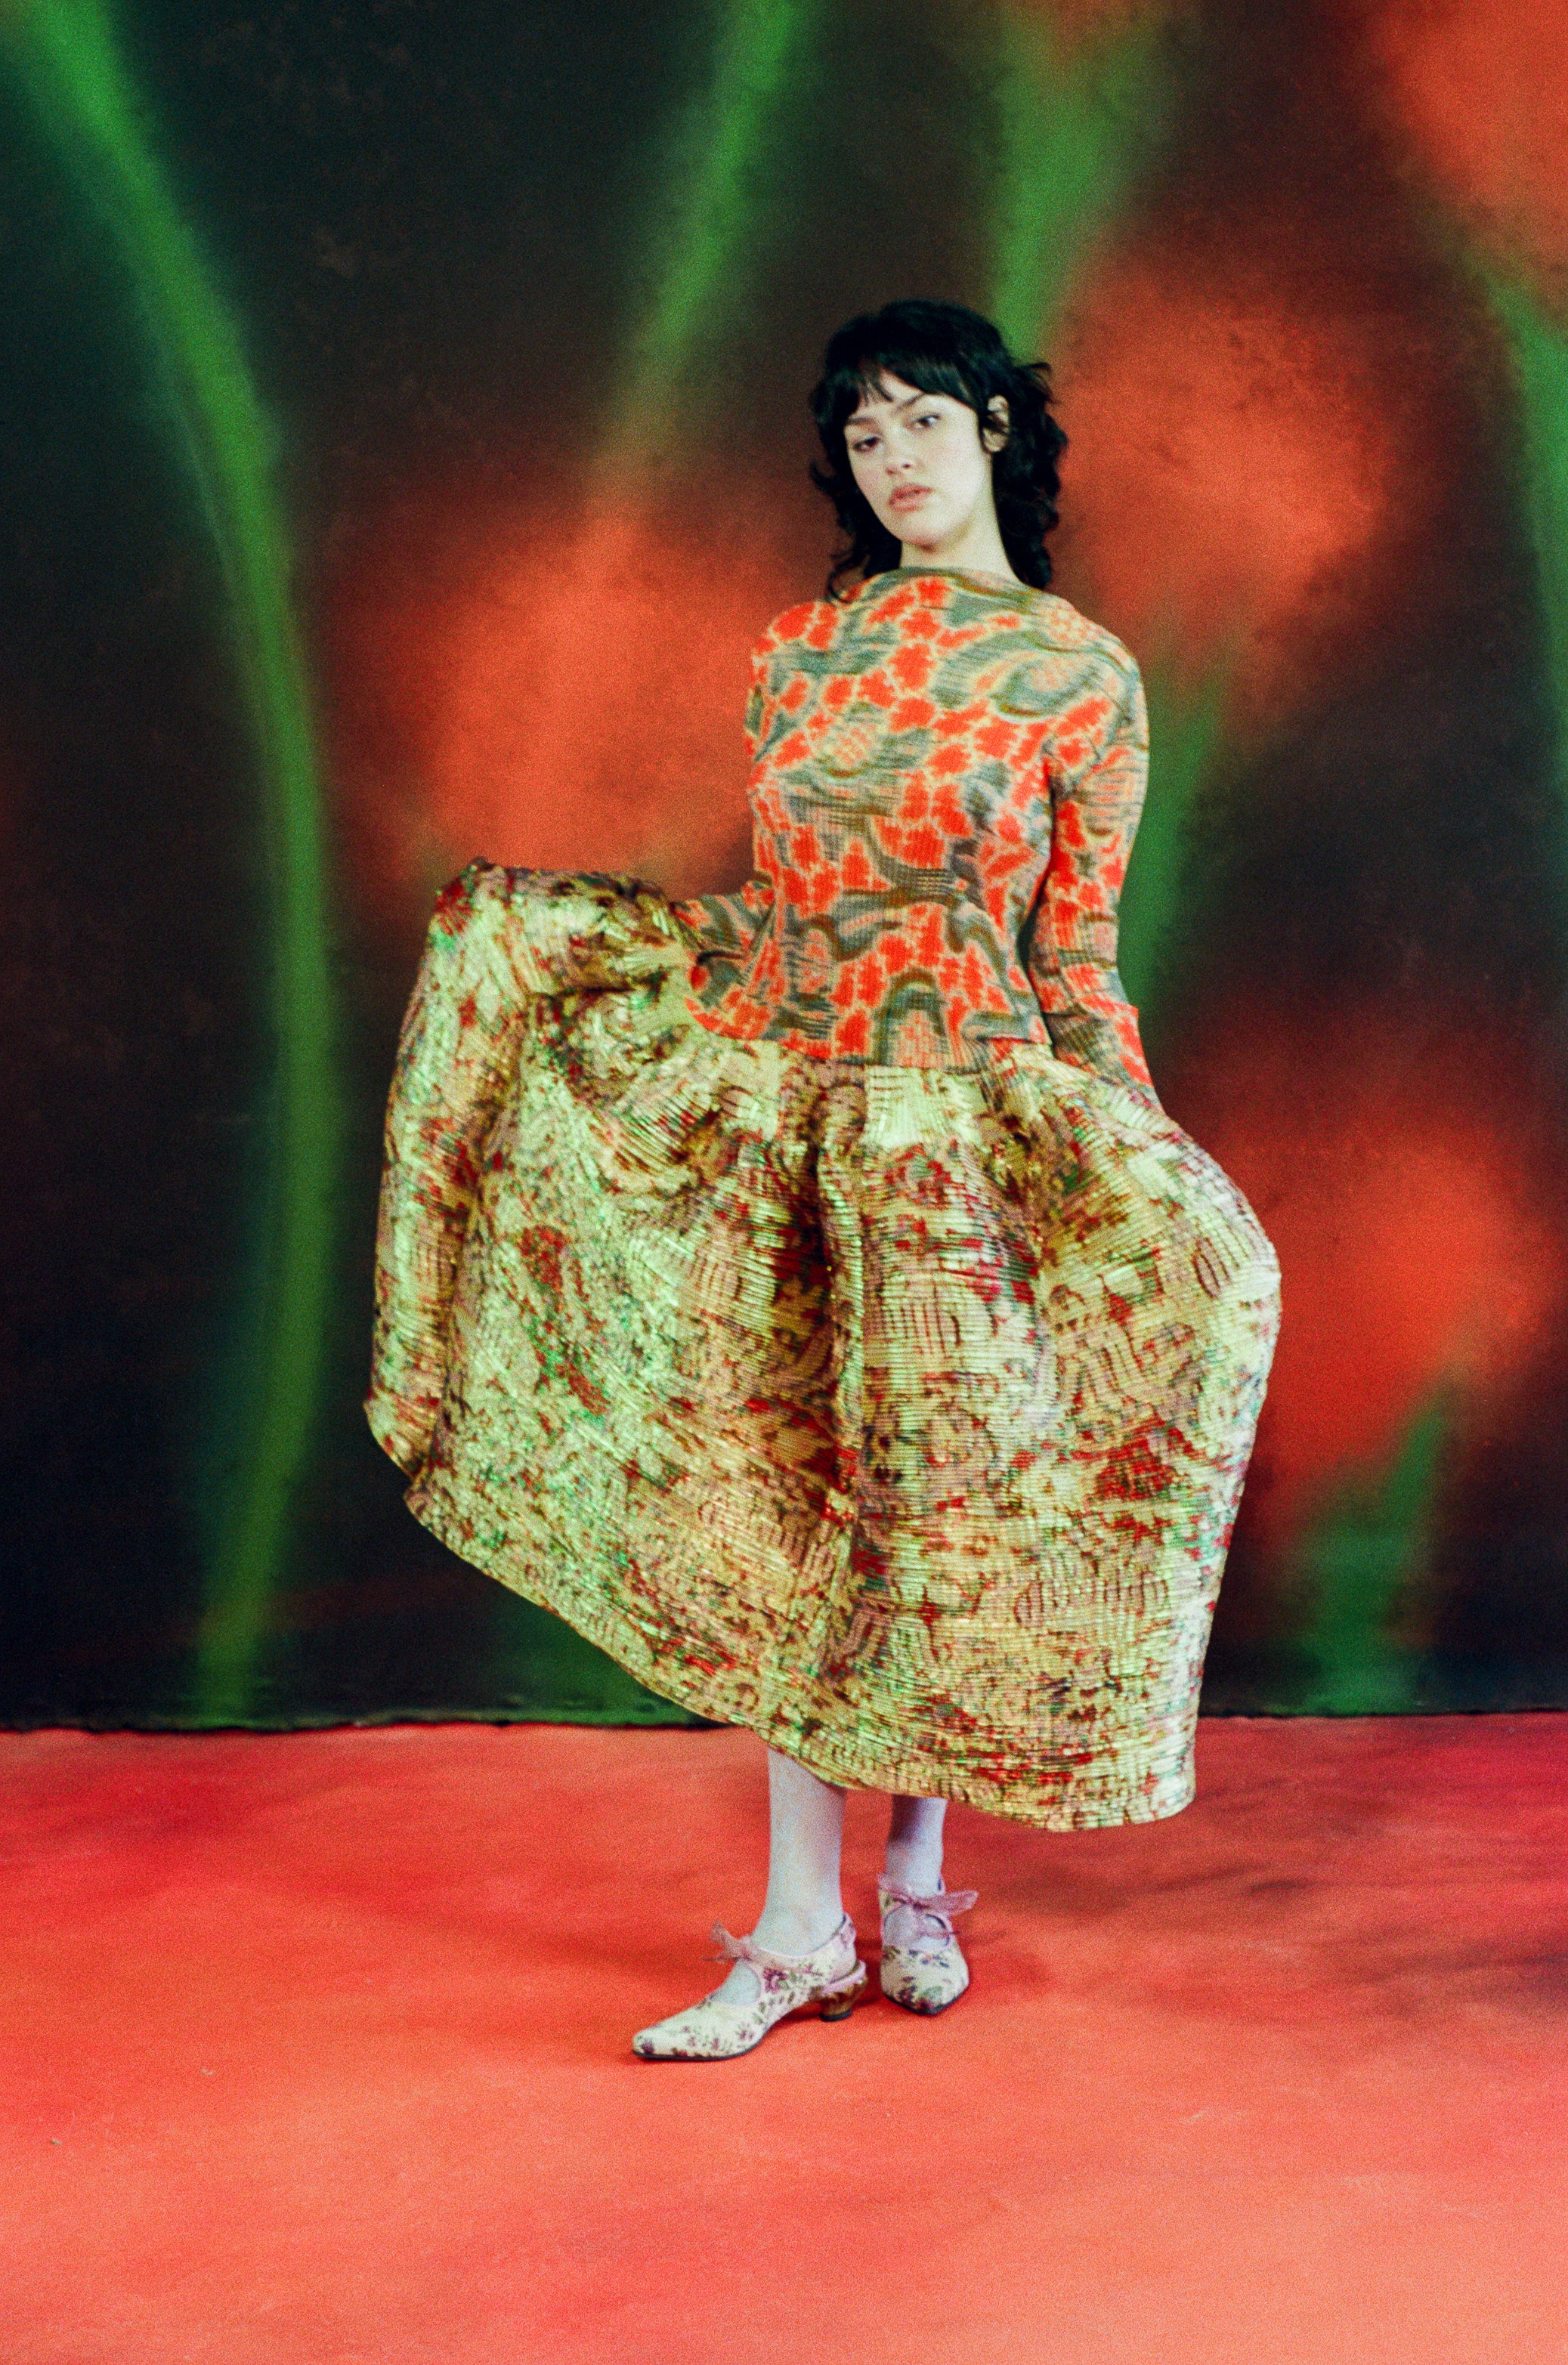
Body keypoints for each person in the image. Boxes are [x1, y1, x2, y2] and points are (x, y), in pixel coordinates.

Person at [366, 299, 1281, 2062]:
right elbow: (792, 906)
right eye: (862, 436)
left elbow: (1074, 954)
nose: (894, 458)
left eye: (924, 419)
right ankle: (801, 1927)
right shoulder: (799, 650)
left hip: (965, 1138)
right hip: (792, 1118)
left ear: (998, 428)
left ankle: (916, 1882)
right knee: (799, 1516)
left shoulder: (1083, 676)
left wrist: (1135, 1151)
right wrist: (611, 963)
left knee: (941, 1516)